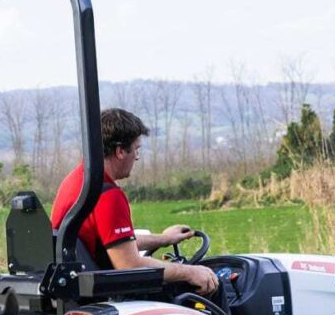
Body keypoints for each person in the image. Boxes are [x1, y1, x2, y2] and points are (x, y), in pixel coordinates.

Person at [50, 108, 219, 295]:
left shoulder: (76, 181)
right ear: (120, 151)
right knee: (209, 292)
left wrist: (164, 239)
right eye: (136, 149)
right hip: (105, 296)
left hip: (80, 286)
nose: (137, 157)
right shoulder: (107, 196)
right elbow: (128, 264)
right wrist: (189, 272)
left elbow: (113, 245)